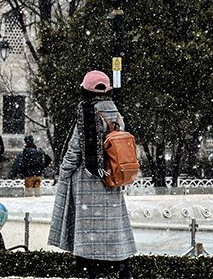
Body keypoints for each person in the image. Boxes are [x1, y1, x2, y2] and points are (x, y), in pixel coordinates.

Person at [48, 70, 136, 279]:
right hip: (112, 176)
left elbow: (75, 149)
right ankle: (121, 266)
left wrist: (64, 172)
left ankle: (90, 268)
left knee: (88, 231)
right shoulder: (115, 112)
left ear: (85, 90)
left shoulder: (86, 112)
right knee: (112, 228)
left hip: (88, 181)